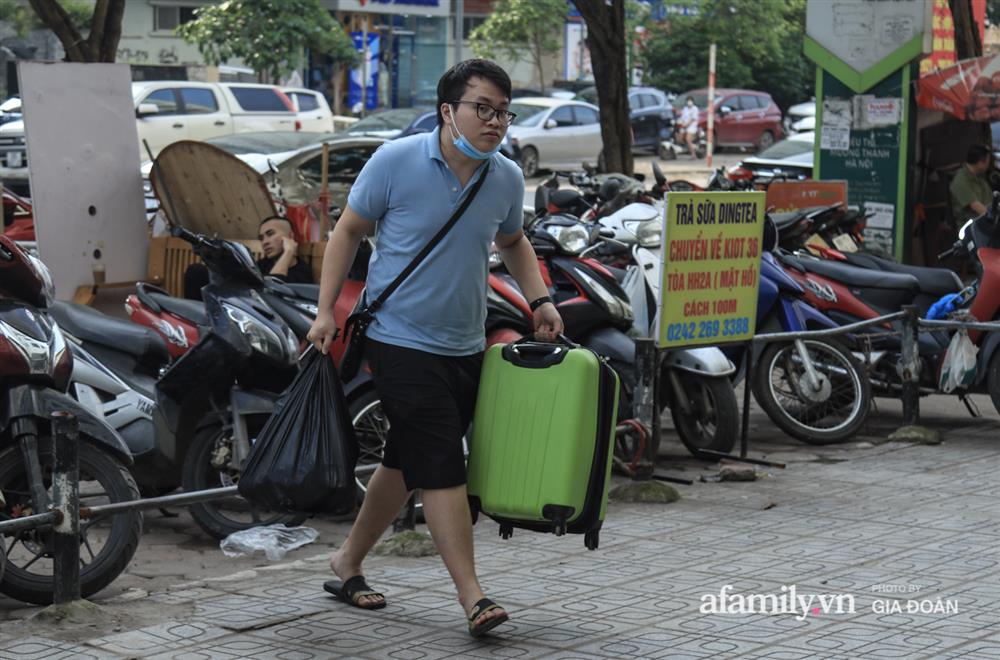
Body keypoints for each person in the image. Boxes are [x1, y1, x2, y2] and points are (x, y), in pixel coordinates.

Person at [307, 59, 563, 637]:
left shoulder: (504, 177)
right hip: (397, 338)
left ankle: (346, 561)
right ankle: (473, 597)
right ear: (448, 111)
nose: (496, 122)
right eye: (483, 108)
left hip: (464, 342)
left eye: (503, 111)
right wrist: (326, 311)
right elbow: (347, 230)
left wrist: (539, 299)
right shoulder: (396, 162)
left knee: (405, 459)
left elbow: (514, 240)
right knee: (444, 459)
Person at [182, 216, 312, 300]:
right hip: (240, 309)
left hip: (266, 327)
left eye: (270, 234)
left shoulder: (302, 272)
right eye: (261, 238)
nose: (265, 242)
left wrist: (288, 252)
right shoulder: (262, 264)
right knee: (196, 272)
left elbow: (272, 288)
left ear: (290, 236)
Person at [950, 144, 993, 223]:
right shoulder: (960, 182)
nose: (988, 164)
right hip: (972, 227)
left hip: (985, 220)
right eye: (988, 161)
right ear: (981, 162)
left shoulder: (978, 177)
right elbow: (978, 208)